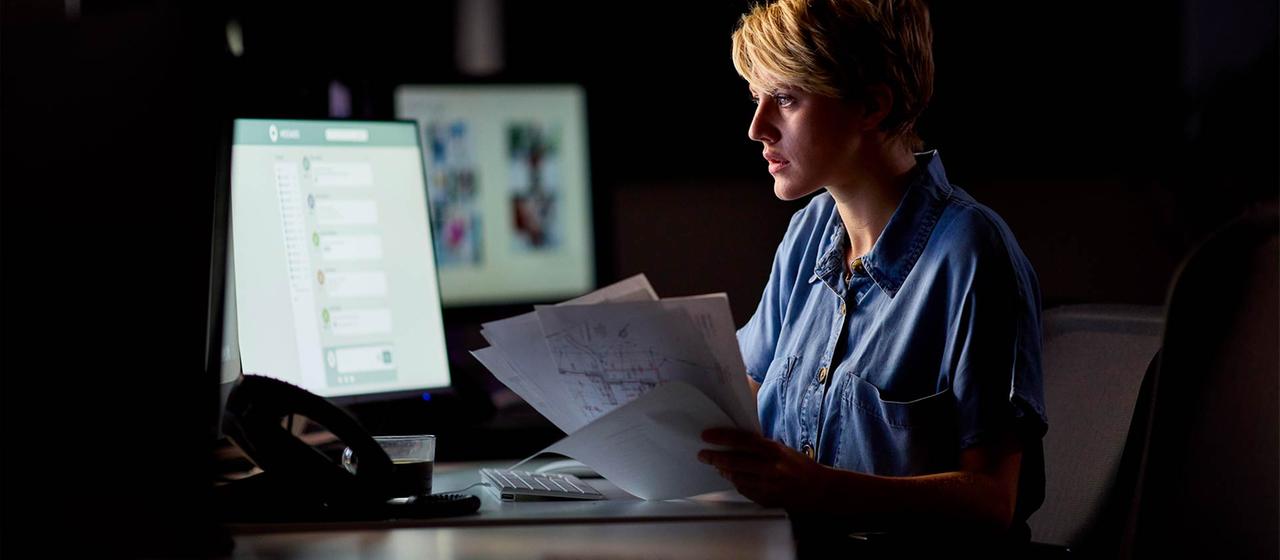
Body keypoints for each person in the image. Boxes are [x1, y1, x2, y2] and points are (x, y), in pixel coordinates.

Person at [697, 0, 1048, 543]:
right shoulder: (807, 233)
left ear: (871, 106)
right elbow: (742, 397)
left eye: (785, 99)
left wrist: (819, 488)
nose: (756, 127)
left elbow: (993, 501)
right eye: (755, 98)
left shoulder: (973, 255)